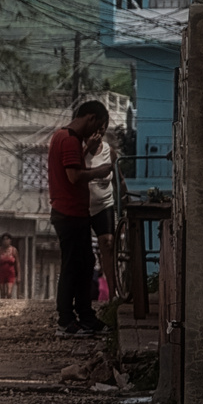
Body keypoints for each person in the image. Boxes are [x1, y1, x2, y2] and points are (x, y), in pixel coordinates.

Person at [48, 100, 113, 335]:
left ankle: (83, 317)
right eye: (97, 127)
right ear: (91, 118)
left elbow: (71, 167)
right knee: (75, 267)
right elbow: (74, 176)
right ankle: (68, 319)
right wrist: (99, 171)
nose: (95, 134)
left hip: (69, 212)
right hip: (70, 213)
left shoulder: (62, 137)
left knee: (82, 264)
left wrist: (86, 151)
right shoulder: (70, 140)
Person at [86, 129, 118, 304]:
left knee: (108, 244)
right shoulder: (78, 151)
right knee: (82, 251)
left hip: (105, 204)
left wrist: (124, 195)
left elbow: (118, 178)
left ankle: (112, 294)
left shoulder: (109, 151)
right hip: (82, 206)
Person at [0, 233, 19, 299]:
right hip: (1, 272)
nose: (5, 241)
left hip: (11, 272)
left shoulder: (14, 250)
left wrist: (18, 275)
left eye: (7, 239)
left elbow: (17, 263)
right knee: (2, 292)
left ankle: (8, 304)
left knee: (9, 292)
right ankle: (3, 306)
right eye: (4, 239)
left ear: (10, 240)